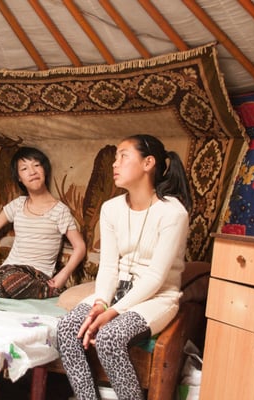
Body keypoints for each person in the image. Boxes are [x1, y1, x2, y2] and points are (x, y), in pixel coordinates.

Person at [56, 134, 192, 399]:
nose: (114, 164)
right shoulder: (111, 208)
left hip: (156, 297)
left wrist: (113, 312)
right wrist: (101, 304)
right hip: (117, 291)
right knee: (67, 328)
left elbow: (155, 277)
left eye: (123, 156)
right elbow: (108, 266)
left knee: (110, 337)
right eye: (115, 157)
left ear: (148, 163)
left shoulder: (173, 212)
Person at [0, 146, 86, 299]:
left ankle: (41, 289)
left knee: (6, 282)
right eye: (24, 168)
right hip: (8, 270)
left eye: (36, 165)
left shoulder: (60, 211)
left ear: (44, 170)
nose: (32, 171)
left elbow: (80, 247)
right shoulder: (18, 205)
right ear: (19, 178)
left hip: (36, 274)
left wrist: (63, 275)